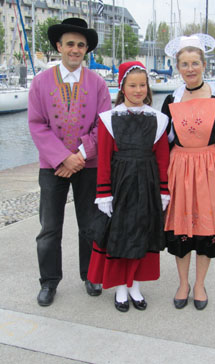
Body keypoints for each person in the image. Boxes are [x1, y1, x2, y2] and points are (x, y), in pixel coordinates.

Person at [28, 18, 111, 306]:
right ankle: (49, 281)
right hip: (52, 166)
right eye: (70, 44)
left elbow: (103, 126)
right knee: (50, 226)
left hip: (87, 165)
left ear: (86, 49)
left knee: (90, 223)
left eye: (81, 45)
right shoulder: (40, 82)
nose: (75, 49)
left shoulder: (98, 84)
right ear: (59, 46)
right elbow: (37, 125)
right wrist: (62, 158)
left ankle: (91, 274)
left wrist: (79, 156)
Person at [161, 34, 215, 310]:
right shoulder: (171, 99)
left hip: (209, 167)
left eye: (195, 62)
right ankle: (183, 282)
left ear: (203, 65)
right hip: (180, 167)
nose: (190, 68)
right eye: (184, 63)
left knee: (206, 227)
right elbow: (164, 140)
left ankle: (200, 284)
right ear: (178, 67)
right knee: (181, 227)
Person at [86, 61, 170, 312]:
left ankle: (135, 285)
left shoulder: (159, 119)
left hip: (147, 181)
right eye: (132, 85)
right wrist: (104, 193)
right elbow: (103, 159)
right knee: (120, 236)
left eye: (142, 85)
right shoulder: (109, 119)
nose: (138, 90)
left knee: (142, 234)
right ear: (122, 88)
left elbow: (162, 157)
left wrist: (163, 190)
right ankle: (121, 287)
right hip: (120, 184)